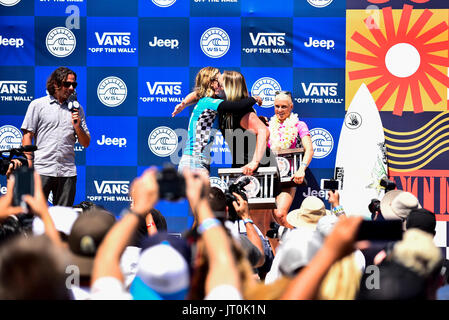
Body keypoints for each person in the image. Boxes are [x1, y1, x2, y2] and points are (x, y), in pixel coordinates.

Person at [21, 67, 90, 207]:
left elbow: (86, 143)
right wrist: (28, 167)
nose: (71, 88)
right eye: (67, 84)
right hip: (42, 170)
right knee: (32, 216)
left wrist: (77, 126)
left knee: (63, 220)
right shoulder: (38, 105)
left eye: (74, 84)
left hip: (67, 172)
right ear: (55, 84)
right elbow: (27, 136)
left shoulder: (77, 109)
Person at [173, 67, 261, 174]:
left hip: (199, 161)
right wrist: (254, 98)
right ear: (211, 83)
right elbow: (237, 106)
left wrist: (184, 103)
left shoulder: (211, 100)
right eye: (219, 79)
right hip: (194, 161)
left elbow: (197, 94)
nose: (222, 80)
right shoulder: (208, 102)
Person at [268, 91, 314, 228]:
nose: (280, 110)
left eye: (284, 107)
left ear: (291, 107)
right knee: (270, 220)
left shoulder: (299, 125)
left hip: (288, 178)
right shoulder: (267, 126)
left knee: (280, 214)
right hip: (270, 177)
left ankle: (296, 243)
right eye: (277, 106)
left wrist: (301, 169)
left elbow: (309, 149)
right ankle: (277, 249)